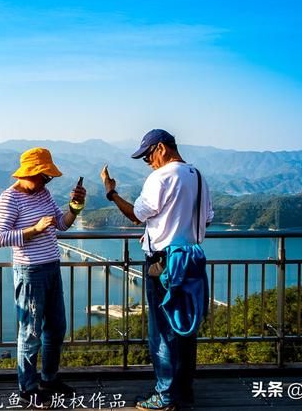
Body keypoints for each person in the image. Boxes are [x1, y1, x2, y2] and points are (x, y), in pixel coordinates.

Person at [101, 129, 213, 411]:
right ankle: (184, 392)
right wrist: (168, 230)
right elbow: (206, 219)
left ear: (161, 148)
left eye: (148, 155)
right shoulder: (197, 175)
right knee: (185, 327)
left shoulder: (161, 177)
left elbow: (136, 215)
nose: (148, 162)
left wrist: (111, 192)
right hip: (191, 260)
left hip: (162, 264)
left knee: (162, 331)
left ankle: (164, 397)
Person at [0, 147, 86, 406]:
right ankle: (28, 387)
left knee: (56, 329)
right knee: (31, 332)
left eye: (49, 178)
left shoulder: (44, 194)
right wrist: (34, 229)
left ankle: (49, 378)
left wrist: (75, 207)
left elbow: (62, 223)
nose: (47, 181)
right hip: (30, 271)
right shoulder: (9, 199)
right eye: (44, 176)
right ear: (30, 173)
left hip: (52, 267)